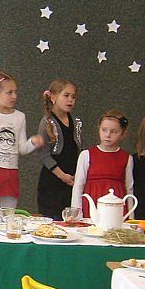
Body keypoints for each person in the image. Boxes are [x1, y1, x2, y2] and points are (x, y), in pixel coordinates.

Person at [0, 71, 43, 210]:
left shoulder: (20, 117)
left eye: (15, 92)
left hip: (10, 172)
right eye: (9, 92)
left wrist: (32, 143)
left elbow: (21, 149)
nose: (14, 96)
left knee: (9, 216)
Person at [71, 110, 134, 218]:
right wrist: (77, 214)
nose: (108, 135)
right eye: (104, 130)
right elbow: (78, 187)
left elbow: (129, 188)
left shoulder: (127, 158)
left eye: (114, 132)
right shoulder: (86, 155)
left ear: (123, 134)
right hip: (91, 209)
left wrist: (131, 217)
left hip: (116, 211)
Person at [36, 79, 83, 219]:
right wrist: (62, 176)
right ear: (53, 97)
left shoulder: (76, 122)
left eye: (73, 97)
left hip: (71, 180)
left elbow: (78, 150)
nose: (70, 100)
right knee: (53, 219)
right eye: (66, 95)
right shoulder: (47, 122)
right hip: (53, 181)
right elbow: (44, 155)